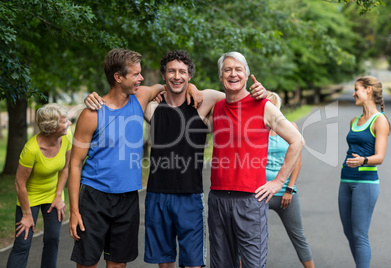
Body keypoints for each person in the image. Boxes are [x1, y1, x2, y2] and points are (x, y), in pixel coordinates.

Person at [84, 49, 267, 268]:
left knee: (192, 264)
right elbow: (122, 92)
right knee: (165, 263)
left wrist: (260, 92)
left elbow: (236, 95)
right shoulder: (151, 107)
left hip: (189, 195)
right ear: (163, 75)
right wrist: (92, 97)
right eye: (171, 71)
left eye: (182, 72)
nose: (177, 76)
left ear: (190, 74)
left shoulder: (204, 101)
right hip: (157, 195)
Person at [68, 48, 179, 268]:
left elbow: (169, 85)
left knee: (118, 264)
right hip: (94, 197)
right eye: (136, 74)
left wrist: (192, 88)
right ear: (118, 77)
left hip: (128, 198)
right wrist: (74, 211)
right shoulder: (91, 113)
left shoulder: (140, 97)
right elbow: (75, 163)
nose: (141, 78)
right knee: (87, 263)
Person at [207, 52, 304, 268]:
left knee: (252, 265)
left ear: (247, 75)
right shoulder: (217, 107)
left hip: (250, 199)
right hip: (218, 198)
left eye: (238, 69)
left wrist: (278, 182)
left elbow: (297, 140)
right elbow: (194, 93)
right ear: (221, 76)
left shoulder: (263, 106)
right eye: (227, 70)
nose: (233, 73)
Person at [7, 103, 72, 268]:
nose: (69, 124)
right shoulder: (31, 149)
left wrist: (58, 196)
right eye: (65, 122)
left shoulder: (66, 136)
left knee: (52, 239)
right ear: (52, 127)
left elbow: (65, 168)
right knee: (23, 243)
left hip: (53, 194)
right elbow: (19, 183)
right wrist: (27, 215)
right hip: (30, 197)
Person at [338, 76, 390, 268]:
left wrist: (363, 160)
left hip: (366, 183)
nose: (353, 94)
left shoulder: (380, 120)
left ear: (368, 90)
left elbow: (380, 157)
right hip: (346, 180)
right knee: (349, 232)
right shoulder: (354, 120)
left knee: (360, 234)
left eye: (356, 89)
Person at [265, 92, 314, 268]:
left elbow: (297, 160)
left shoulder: (290, 127)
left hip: (286, 193)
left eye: (271, 106)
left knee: (298, 236)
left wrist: (290, 189)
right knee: (252, 239)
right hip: (261, 193)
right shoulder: (256, 131)